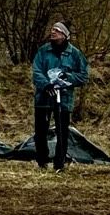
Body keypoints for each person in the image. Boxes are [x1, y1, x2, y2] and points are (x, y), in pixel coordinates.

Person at [30, 22, 89, 172]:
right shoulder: (43, 51)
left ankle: (59, 163)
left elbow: (83, 76)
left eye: (57, 30)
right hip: (43, 98)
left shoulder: (75, 54)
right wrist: (46, 85)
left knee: (63, 132)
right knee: (40, 131)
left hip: (64, 99)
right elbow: (36, 71)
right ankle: (42, 161)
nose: (53, 32)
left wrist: (66, 78)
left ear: (65, 34)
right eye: (52, 30)